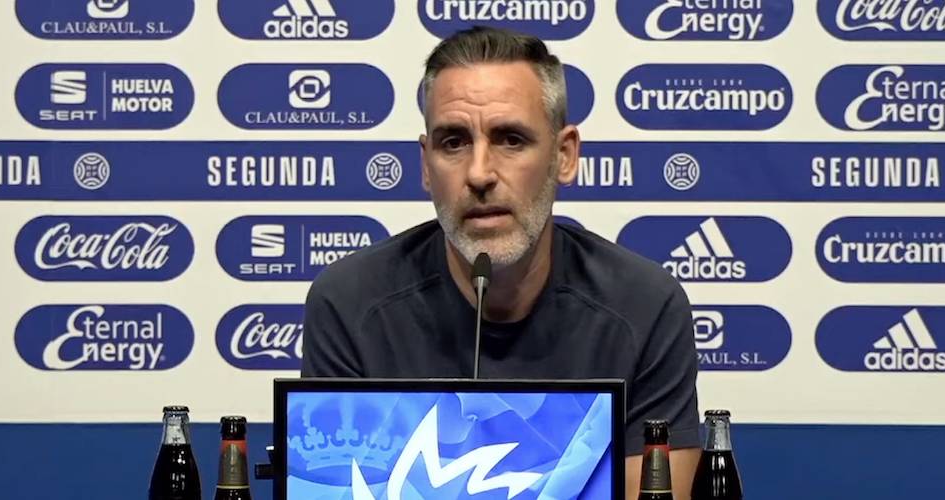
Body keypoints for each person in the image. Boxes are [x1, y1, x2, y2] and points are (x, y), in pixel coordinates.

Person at [301, 26, 702, 498]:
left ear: (564, 155)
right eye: (453, 142)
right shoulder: (350, 303)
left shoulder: (644, 306)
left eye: (511, 139)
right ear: (426, 166)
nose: (479, 174)